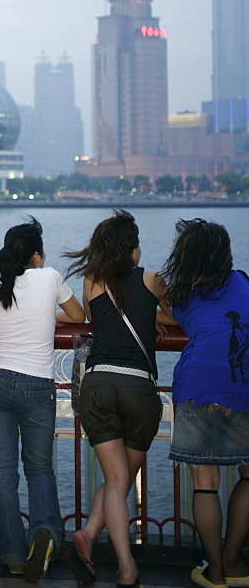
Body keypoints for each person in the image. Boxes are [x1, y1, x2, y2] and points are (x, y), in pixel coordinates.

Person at [0, 218, 85, 582]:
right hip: (36, 384)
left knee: (3, 470)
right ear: (36, 254)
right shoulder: (49, 278)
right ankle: (43, 535)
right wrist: (45, 313)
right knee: (40, 468)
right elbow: (78, 316)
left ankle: (13, 554)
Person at [65, 209, 173, 588]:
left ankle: (90, 533)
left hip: (97, 384)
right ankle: (127, 567)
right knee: (122, 478)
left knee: (115, 477)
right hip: (137, 386)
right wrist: (156, 320)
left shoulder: (92, 280)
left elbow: (100, 323)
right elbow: (180, 319)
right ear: (133, 249)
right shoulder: (152, 279)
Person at [162, 218, 249, 588]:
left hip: (199, 386)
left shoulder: (182, 293)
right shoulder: (243, 281)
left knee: (205, 482)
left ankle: (214, 571)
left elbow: (161, 309)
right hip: (244, 384)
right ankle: (234, 560)